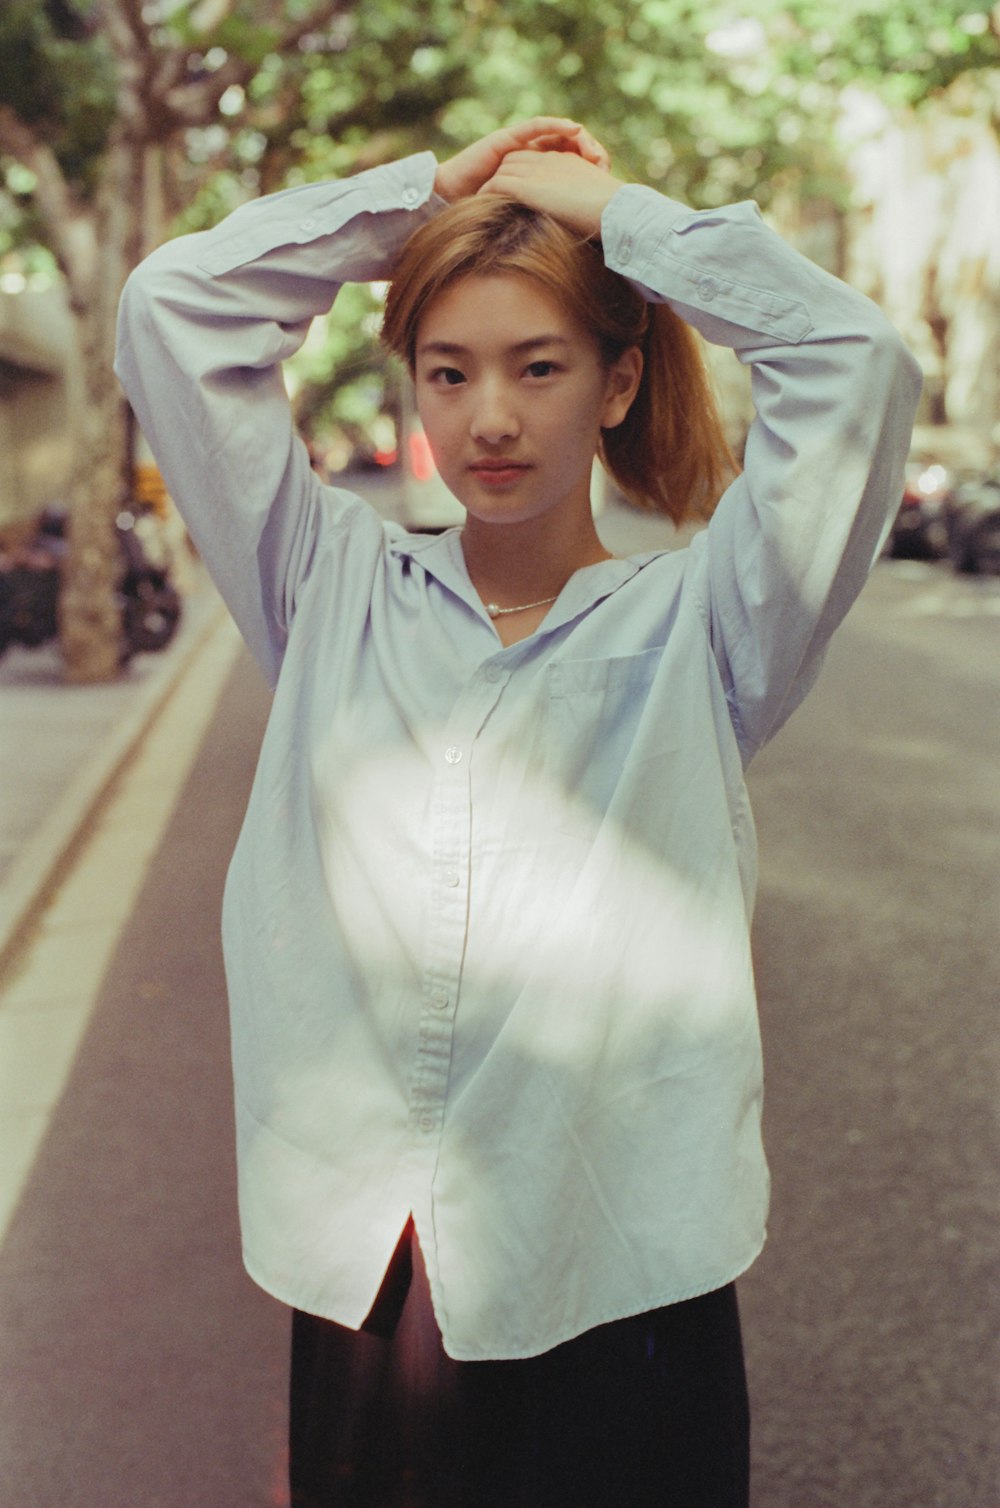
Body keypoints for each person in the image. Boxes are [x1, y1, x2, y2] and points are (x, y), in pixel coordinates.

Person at [115, 117, 921, 1506]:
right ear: (415, 388)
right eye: (450, 370)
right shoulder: (328, 596)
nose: (490, 415)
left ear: (614, 382)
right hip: (379, 1279)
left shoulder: (708, 632)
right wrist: (422, 200)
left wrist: (621, 220)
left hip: (623, 1280)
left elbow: (857, 365)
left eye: (538, 367)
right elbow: (168, 309)